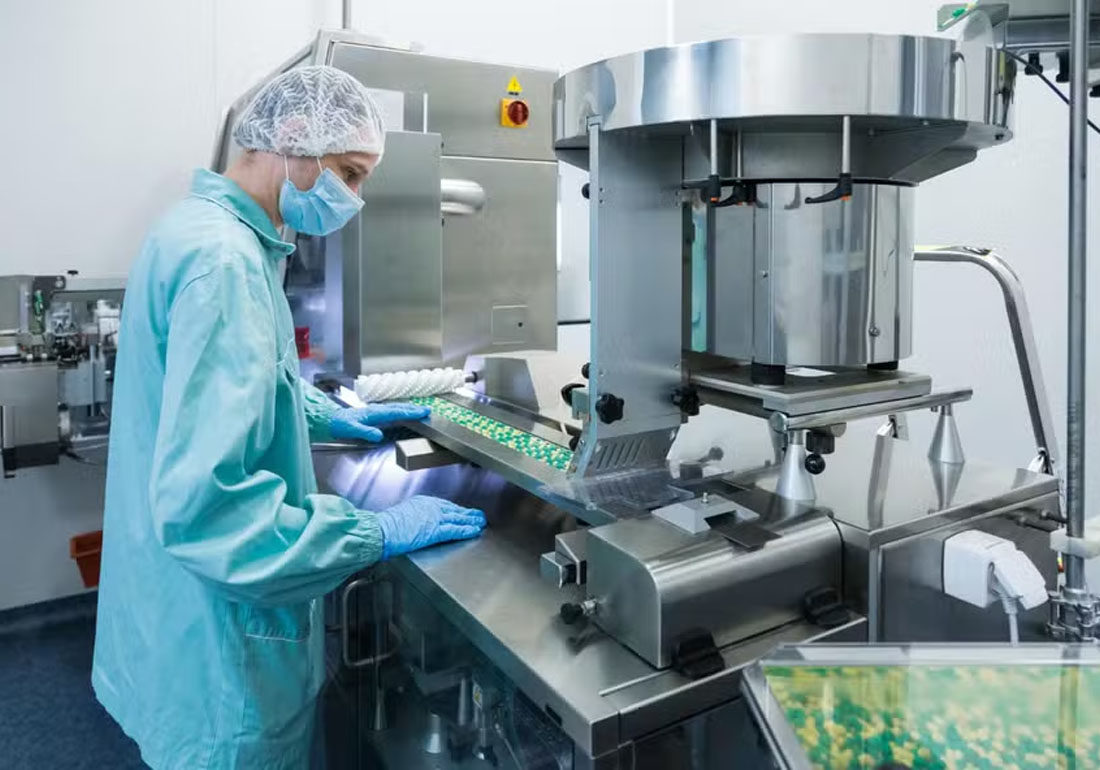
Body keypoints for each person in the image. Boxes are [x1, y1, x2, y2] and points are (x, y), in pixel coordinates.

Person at [92, 65, 486, 770]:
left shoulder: (198, 231)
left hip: (171, 621)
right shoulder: (227, 266)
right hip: (222, 664)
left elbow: (212, 389)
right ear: (296, 137)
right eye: (350, 173)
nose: (354, 198)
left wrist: (320, 411)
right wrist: (372, 532)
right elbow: (216, 517)